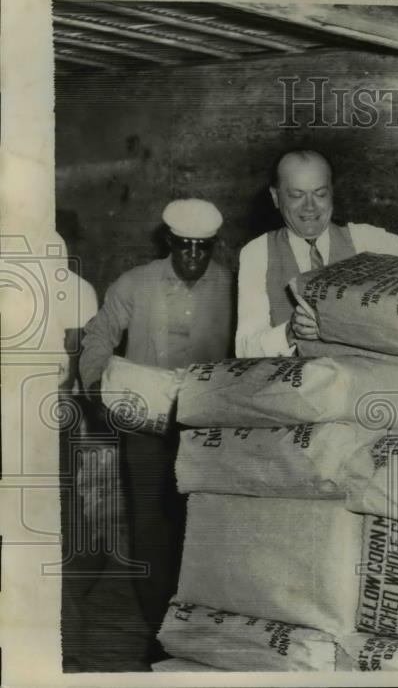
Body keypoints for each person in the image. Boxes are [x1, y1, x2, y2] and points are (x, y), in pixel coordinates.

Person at [79, 198, 233, 664]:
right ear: (168, 241)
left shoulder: (231, 287)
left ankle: (198, 634)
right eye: (183, 246)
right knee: (150, 530)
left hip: (206, 432)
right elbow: (99, 335)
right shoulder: (135, 284)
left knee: (202, 532)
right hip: (145, 430)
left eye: (202, 248)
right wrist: (95, 389)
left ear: (213, 247)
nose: (192, 257)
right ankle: (157, 633)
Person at [236, 149, 398, 357]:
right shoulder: (257, 253)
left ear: (332, 192)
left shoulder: (368, 240)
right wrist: (289, 332)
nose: (310, 206)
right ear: (275, 197)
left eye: (320, 194)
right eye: (296, 195)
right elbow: (245, 350)